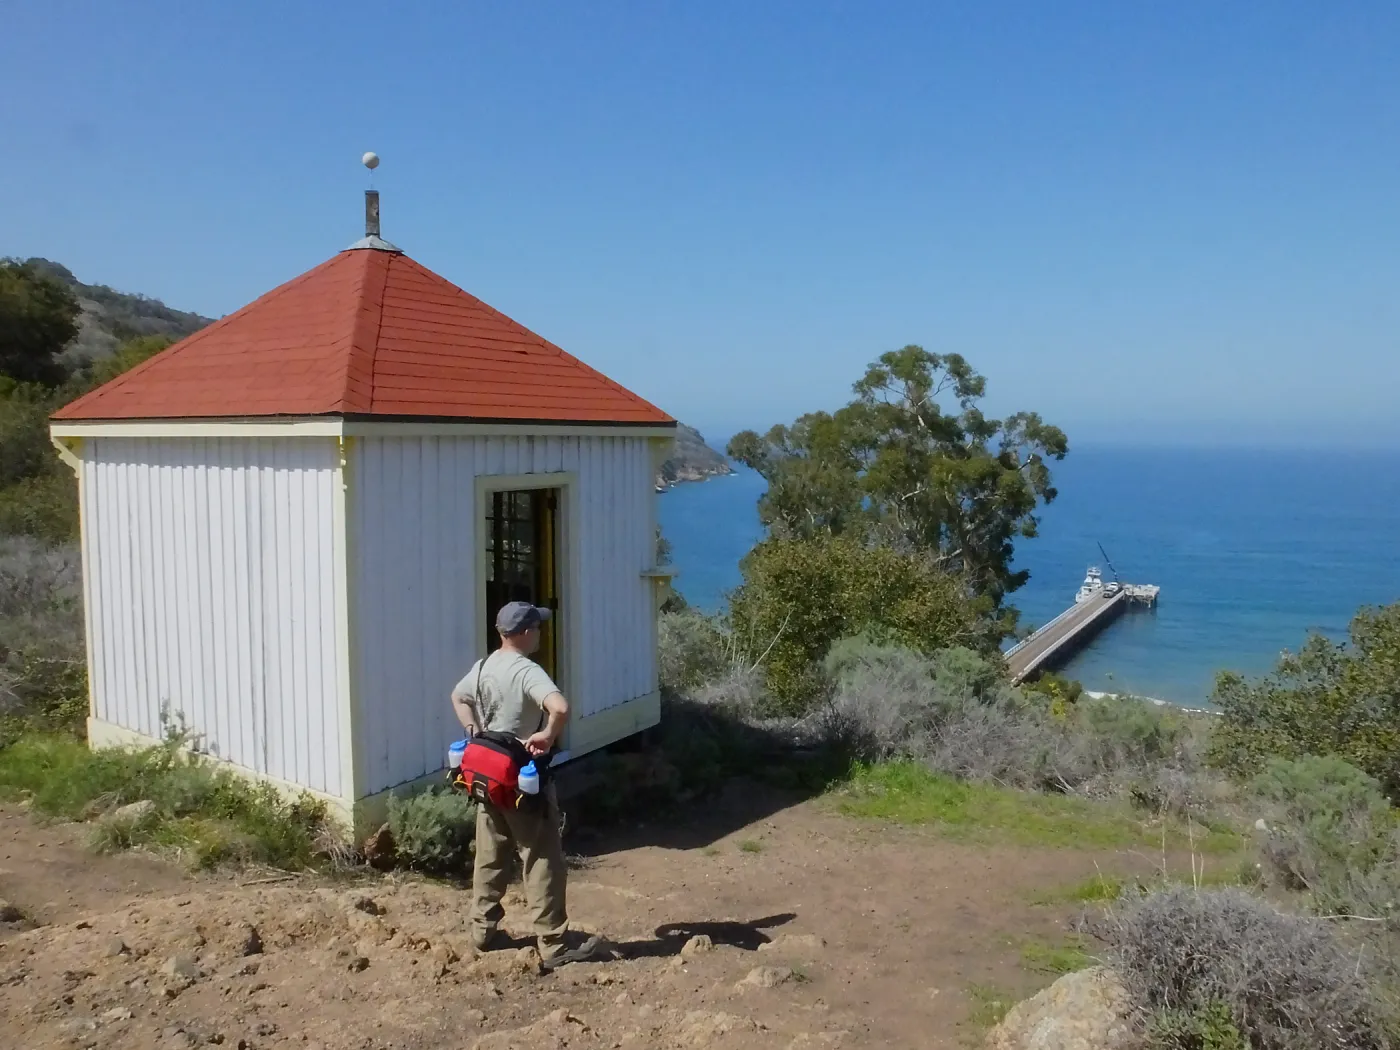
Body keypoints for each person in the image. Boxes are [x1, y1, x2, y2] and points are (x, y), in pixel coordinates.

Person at [450, 601, 601, 971]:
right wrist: (547, 735)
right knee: (541, 858)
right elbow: (560, 707)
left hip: (487, 778)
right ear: (523, 633)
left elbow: (458, 696)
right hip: (521, 782)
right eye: (536, 628)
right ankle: (553, 943)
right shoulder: (526, 671)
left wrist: (473, 733)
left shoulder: (484, 666)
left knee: (490, 854)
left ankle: (483, 930)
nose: (539, 633)